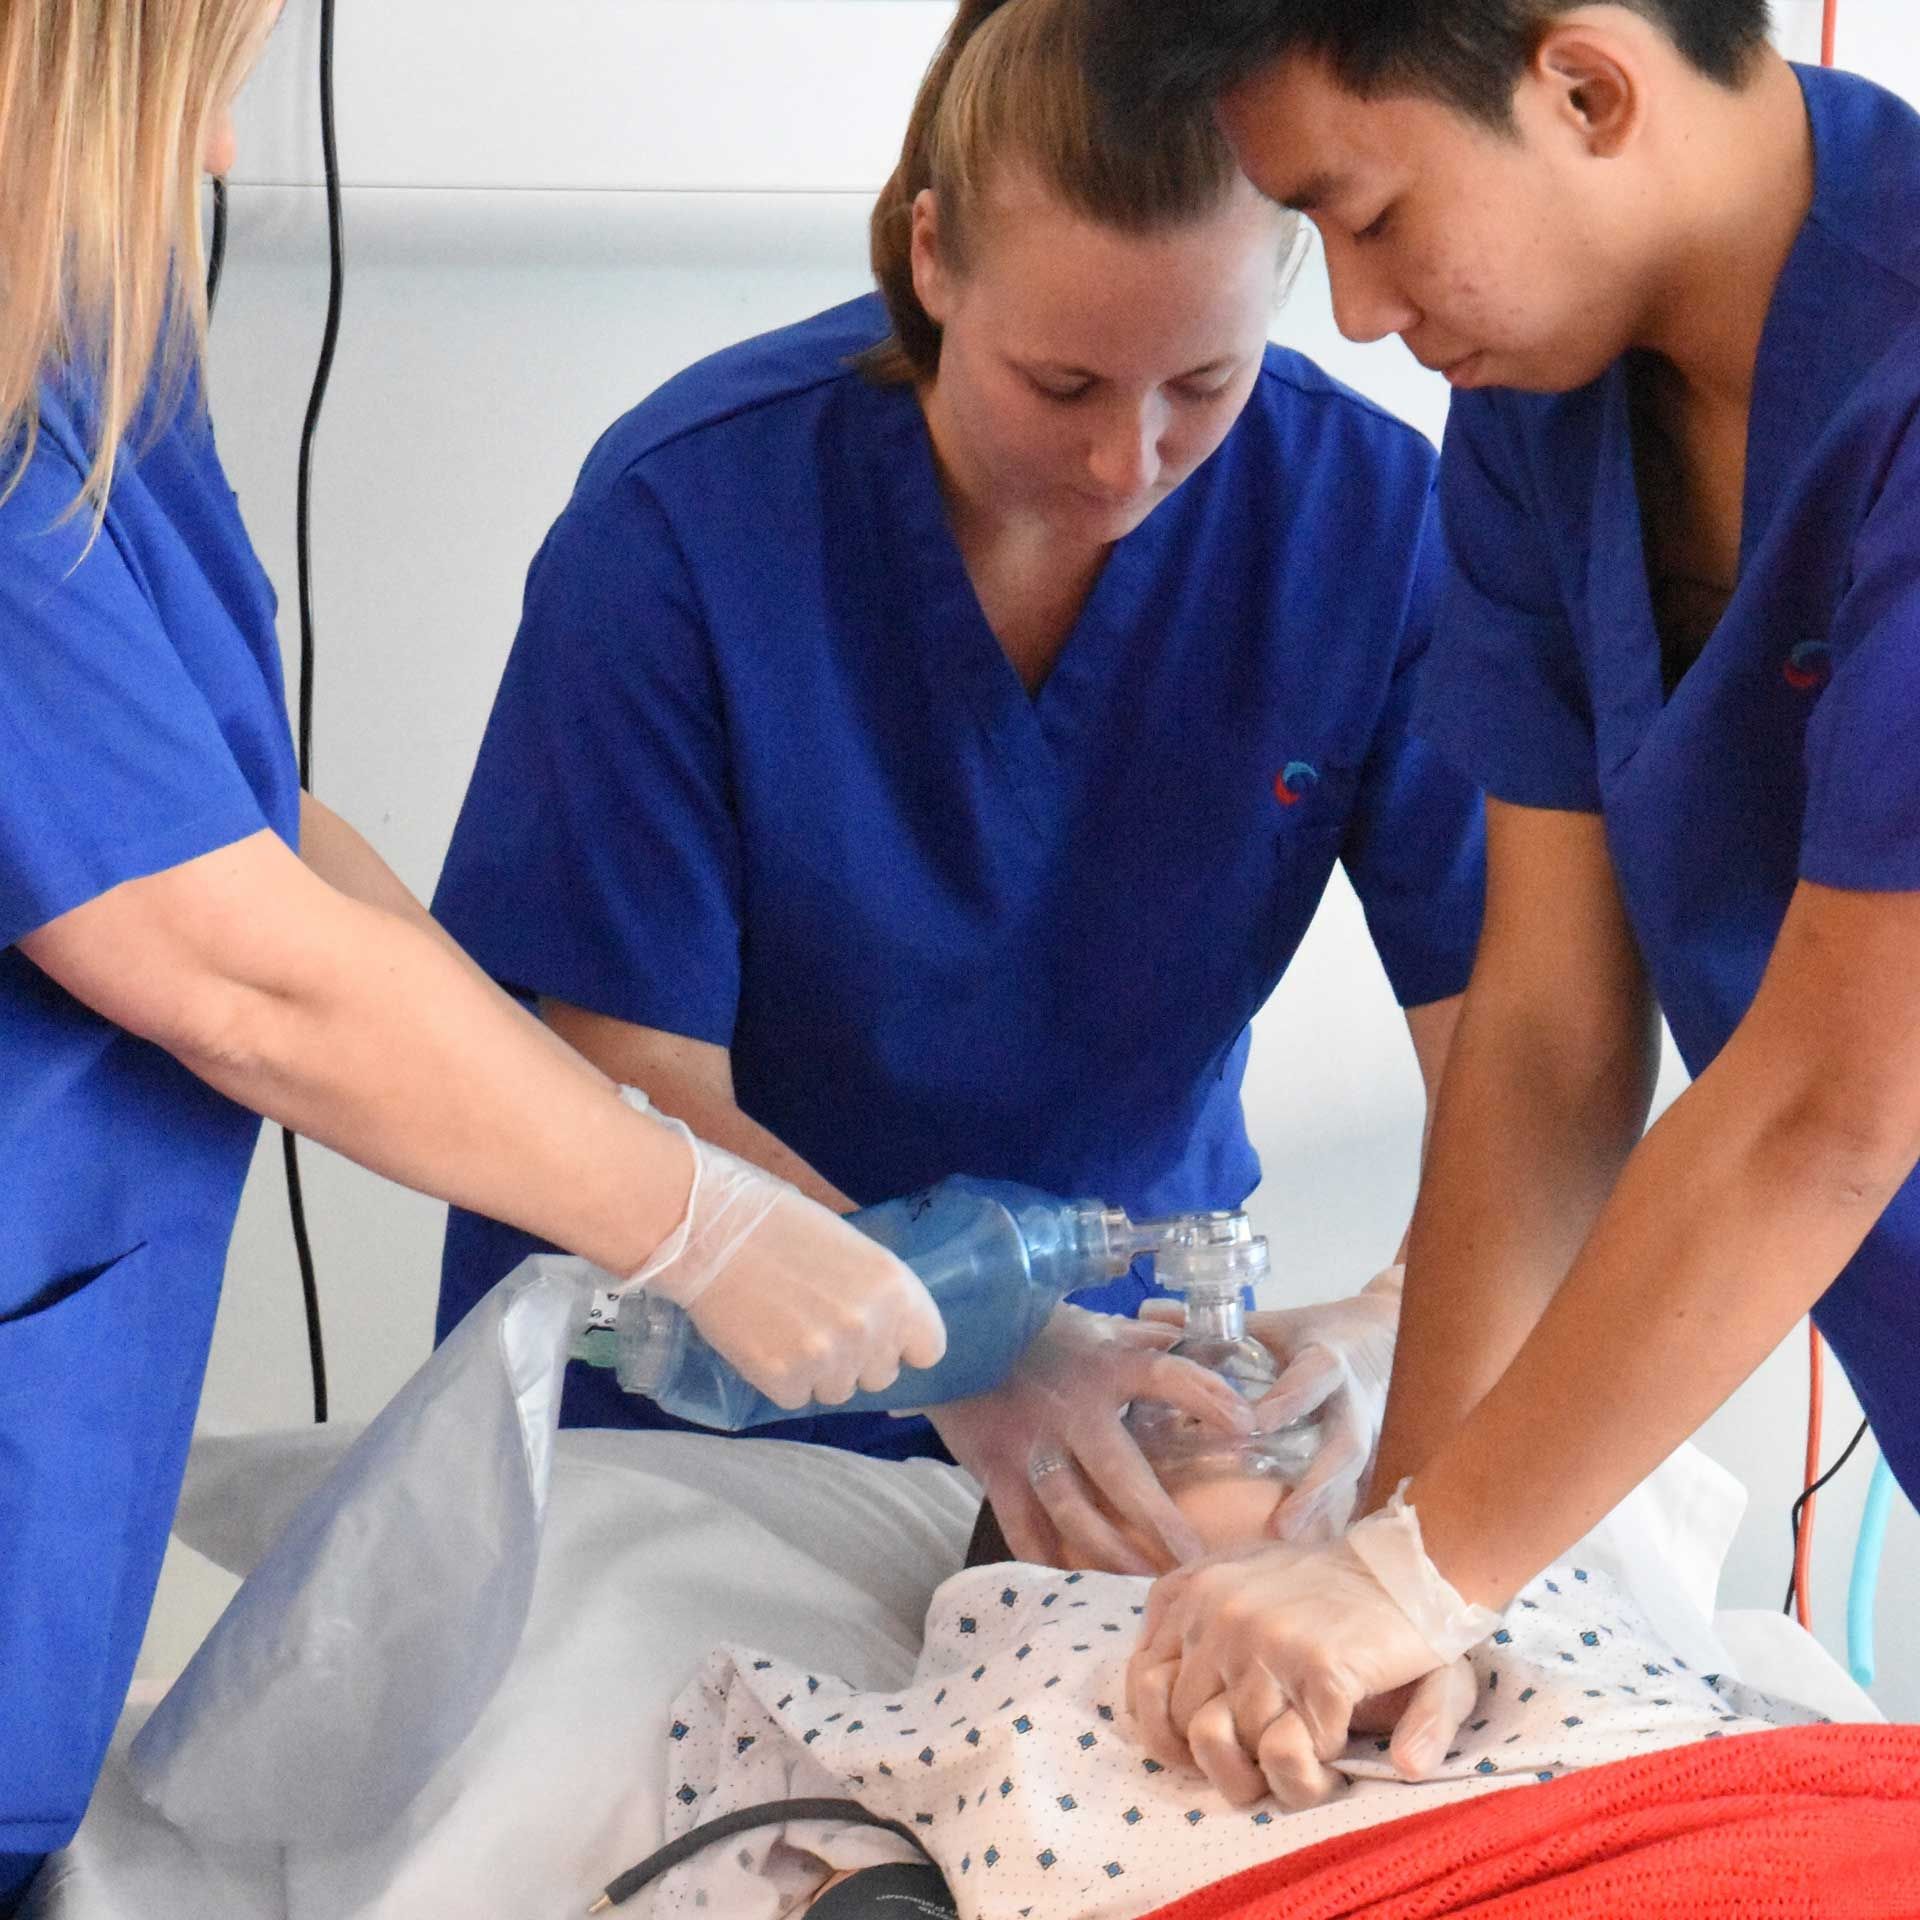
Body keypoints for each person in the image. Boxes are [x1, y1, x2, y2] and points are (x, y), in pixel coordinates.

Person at [0, 6, 945, 1907]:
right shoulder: (690, 508)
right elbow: (227, 959)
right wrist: (687, 1218)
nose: (218, 160)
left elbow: (247, 832)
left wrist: (634, 1159)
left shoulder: (83, 345)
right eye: (191, 84)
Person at [430, 0, 1486, 1581]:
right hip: (700, 1389)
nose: (1127, 461)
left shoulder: (1367, 526)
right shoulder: (692, 522)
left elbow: (1524, 1045)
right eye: (1061, 385)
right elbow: (627, 1079)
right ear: (932, 257)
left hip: (1125, 1394)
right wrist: (956, 1340)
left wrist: (1407, 1319)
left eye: (1204, 382)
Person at [1083, 0, 1920, 1808]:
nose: (1354, 312)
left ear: (1587, 86)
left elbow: (1833, 1105)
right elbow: (1544, 1037)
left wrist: (1418, 1574)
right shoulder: (1545, 410)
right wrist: (1402, 1549)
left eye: (1372, 216)